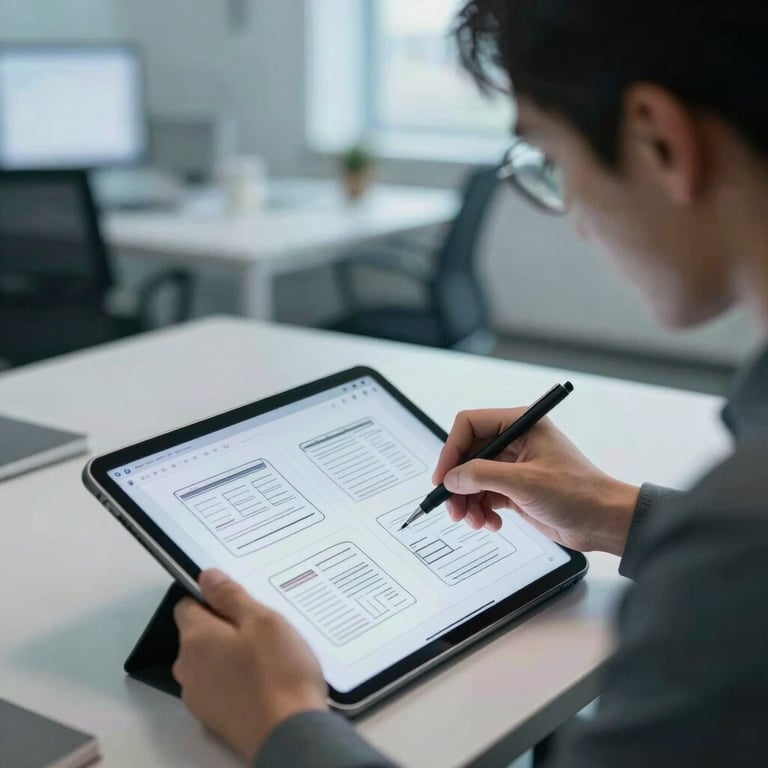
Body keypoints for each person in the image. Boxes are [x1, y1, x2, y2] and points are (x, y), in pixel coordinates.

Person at [171, 1, 768, 765]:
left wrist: (282, 722)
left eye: (552, 160)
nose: (573, 216)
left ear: (658, 140)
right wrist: (615, 513)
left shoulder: (740, 543)